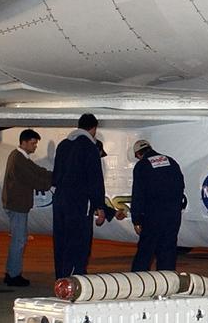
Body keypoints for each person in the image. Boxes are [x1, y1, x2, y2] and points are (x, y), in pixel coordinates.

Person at [51, 113, 117, 280]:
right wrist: (100, 206)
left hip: (60, 200)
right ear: (93, 128)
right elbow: (95, 179)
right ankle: (75, 279)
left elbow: (56, 175)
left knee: (62, 241)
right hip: (79, 202)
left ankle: (61, 278)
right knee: (78, 242)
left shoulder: (63, 145)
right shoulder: (89, 147)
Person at [2, 129, 53, 287]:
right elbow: (32, 178)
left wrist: (53, 175)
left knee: (19, 240)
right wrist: (51, 181)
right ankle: (13, 275)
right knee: (19, 241)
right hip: (17, 205)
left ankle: (12, 273)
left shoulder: (20, 157)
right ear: (23, 142)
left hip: (17, 204)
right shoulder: (18, 159)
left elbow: (36, 170)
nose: (35, 146)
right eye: (33, 143)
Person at [129, 138, 186, 272]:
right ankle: (167, 285)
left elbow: (138, 194)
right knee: (168, 252)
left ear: (138, 154)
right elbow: (181, 186)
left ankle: (138, 284)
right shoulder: (171, 161)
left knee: (145, 253)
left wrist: (136, 219)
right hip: (173, 216)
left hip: (153, 216)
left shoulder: (142, 165)